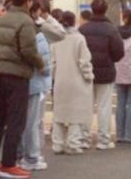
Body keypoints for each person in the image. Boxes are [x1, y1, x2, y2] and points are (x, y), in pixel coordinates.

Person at [0, 0, 43, 179]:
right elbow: (28, 50)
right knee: (16, 120)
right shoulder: (26, 21)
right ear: (28, 2)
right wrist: (40, 64)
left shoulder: (2, 19)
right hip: (17, 74)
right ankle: (8, 164)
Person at [78, 0, 124, 150]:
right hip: (106, 72)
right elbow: (119, 52)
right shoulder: (111, 29)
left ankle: (84, 138)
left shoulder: (83, 29)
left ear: (92, 9)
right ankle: (103, 140)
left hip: (85, 73)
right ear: (106, 10)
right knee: (104, 107)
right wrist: (110, 59)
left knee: (86, 106)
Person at [49, 11, 92, 156]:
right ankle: (74, 143)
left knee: (59, 113)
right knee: (76, 112)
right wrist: (89, 76)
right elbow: (84, 61)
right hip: (77, 80)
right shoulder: (79, 38)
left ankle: (57, 144)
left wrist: (54, 77)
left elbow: (52, 62)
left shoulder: (55, 39)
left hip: (60, 80)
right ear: (74, 22)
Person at [16, 10, 50, 173]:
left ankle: (24, 154)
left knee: (23, 122)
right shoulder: (38, 37)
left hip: (19, 81)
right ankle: (32, 156)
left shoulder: (15, 33)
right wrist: (45, 70)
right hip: (35, 83)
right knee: (32, 122)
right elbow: (44, 63)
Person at [113, 10, 131, 145]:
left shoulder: (115, 33)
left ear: (123, 17)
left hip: (119, 71)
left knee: (120, 103)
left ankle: (119, 134)